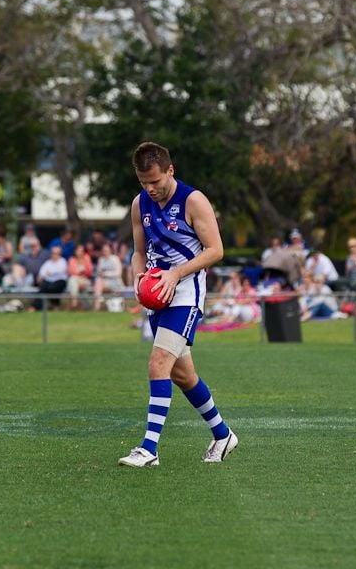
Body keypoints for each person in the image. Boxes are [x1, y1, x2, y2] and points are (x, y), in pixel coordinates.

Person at [118, 142, 236, 468]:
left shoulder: (193, 200)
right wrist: (137, 279)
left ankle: (149, 448)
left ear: (170, 170)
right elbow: (139, 252)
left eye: (155, 181)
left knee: (158, 364)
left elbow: (216, 250)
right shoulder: (139, 203)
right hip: (157, 294)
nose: (150, 188)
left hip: (186, 293)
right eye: (143, 182)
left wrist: (176, 274)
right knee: (184, 376)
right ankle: (222, 434)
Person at [33, 246, 69, 311]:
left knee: (51, 287)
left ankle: (55, 305)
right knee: (42, 289)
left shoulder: (63, 261)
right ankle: (36, 307)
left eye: (56, 253)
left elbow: (60, 271)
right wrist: (47, 274)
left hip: (60, 282)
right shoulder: (48, 262)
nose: (54, 255)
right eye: (53, 253)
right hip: (48, 282)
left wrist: (49, 273)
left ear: (59, 254)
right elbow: (42, 273)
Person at [92, 242, 124, 311]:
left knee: (98, 283)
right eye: (103, 250)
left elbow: (118, 273)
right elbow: (98, 272)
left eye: (106, 250)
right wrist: (100, 274)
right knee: (98, 282)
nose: (105, 252)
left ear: (110, 250)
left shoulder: (115, 259)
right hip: (103, 282)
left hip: (115, 282)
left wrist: (106, 274)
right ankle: (98, 303)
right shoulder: (101, 260)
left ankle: (97, 305)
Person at [66, 244, 93, 310]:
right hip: (76, 280)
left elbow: (90, 272)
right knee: (73, 280)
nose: (80, 252)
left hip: (85, 280)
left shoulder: (87, 258)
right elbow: (70, 272)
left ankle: (74, 303)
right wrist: (80, 272)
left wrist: (82, 271)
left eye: (82, 251)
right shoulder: (72, 259)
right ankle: (75, 303)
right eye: (78, 251)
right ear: (75, 251)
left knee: (72, 281)